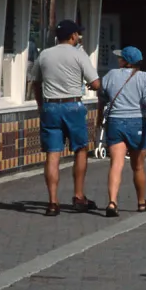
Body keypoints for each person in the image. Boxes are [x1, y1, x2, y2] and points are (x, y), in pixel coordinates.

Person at [33, 19, 101, 217]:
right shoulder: (79, 55)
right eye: (78, 34)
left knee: (52, 154)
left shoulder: (44, 54)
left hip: (50, 106)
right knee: (80, 149)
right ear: (73, 36)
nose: (79, 37)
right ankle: (79, 196)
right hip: (72, 105)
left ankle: (53, 202)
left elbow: (35, 82)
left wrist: (41, 105)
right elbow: (95, 83)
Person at [100, 47, 146, 217]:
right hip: (136, 124)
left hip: (115, 122)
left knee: (116, 164)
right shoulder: (145, 77)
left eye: (120, 58)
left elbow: (102, 97)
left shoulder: (111, 75)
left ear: (125, 61)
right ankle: (141, 202)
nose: (118, 60)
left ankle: (112, 202)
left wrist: (99, 120)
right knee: (138, 167)